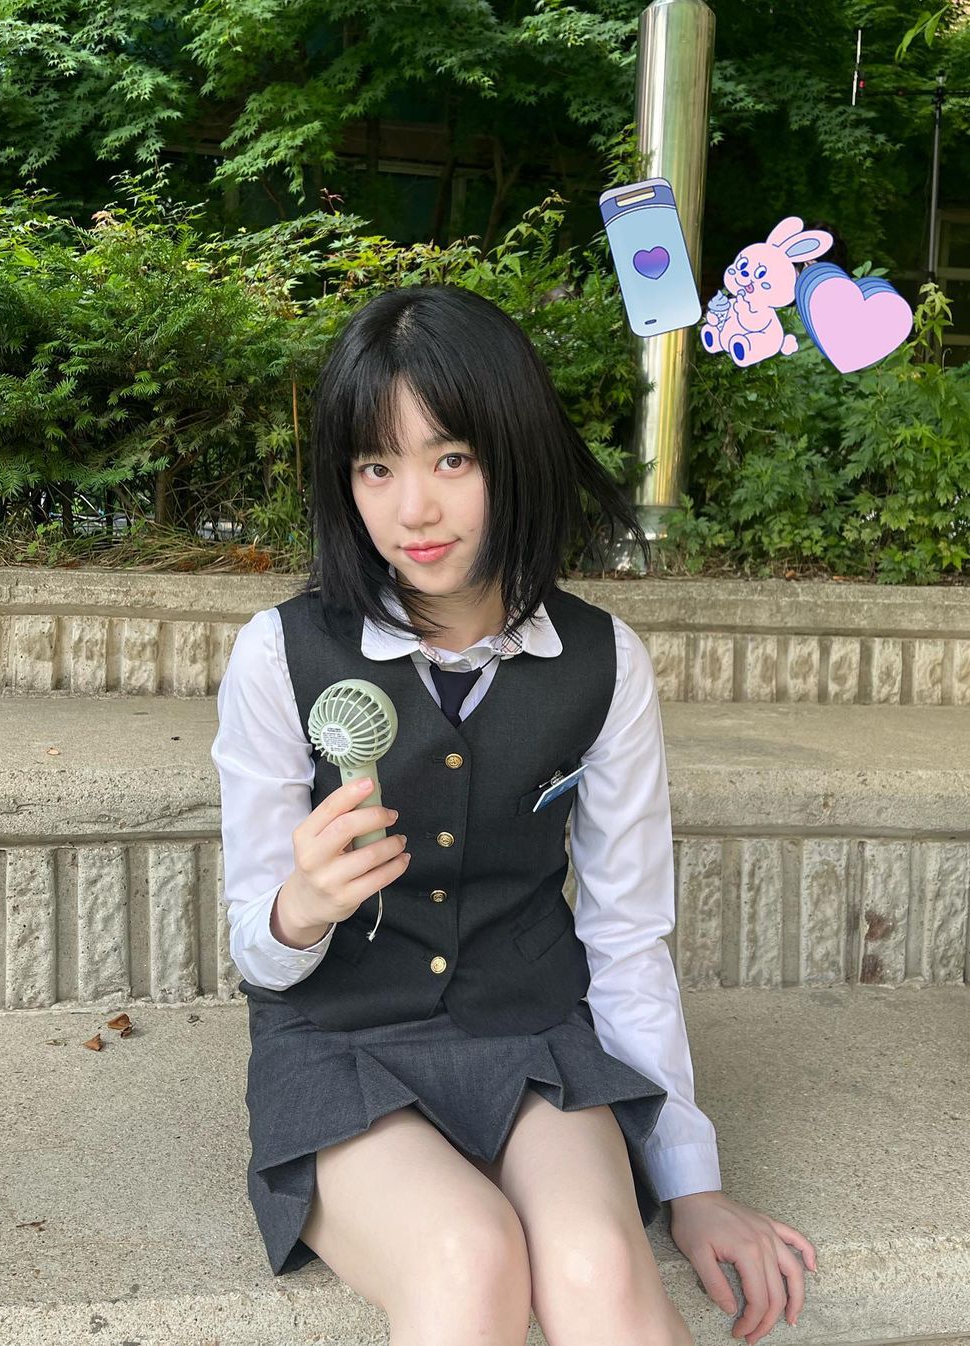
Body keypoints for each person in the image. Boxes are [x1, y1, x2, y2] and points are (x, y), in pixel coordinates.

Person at [210, 283, 818, 1346]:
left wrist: (692, 1182)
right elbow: (259, 949)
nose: (414, 509)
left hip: (531, 1030)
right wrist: (301, 906)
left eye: (452, 458)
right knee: (469, 1253)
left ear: (516, 452)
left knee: (596, 1264)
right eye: (375, 466)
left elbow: (626, 935)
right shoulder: (280, 655)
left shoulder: (603, 662)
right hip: (339, 1041)